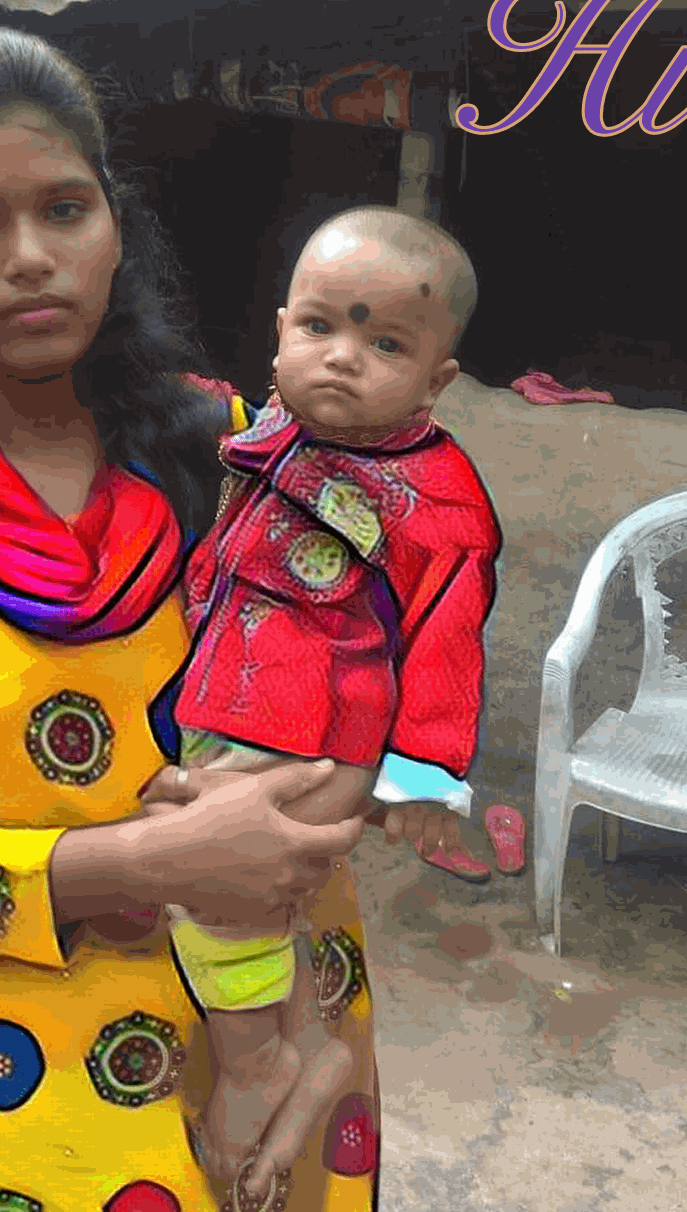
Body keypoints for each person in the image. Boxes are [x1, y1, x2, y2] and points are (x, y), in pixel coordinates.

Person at [0, 28, 416, 1212]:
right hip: (17, 1077)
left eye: (65, 210)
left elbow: (365, 669)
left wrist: (326, 790)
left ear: (115, 226)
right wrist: (143, 861)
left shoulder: (229, 448)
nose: (31, 258)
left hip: (276, 1019)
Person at [158, 207, 501, 1201]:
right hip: (233, 704)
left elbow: (447, 642)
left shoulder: (437, 501)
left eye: (385, 343)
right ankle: (309, 1047)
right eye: (319, 327)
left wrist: (420, 779)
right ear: (279, 333)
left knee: (208, 882)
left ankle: (257, 1064)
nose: (343, 358)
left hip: (309, 734)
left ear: (436, 380)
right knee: (270, 904)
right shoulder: (278, 428)